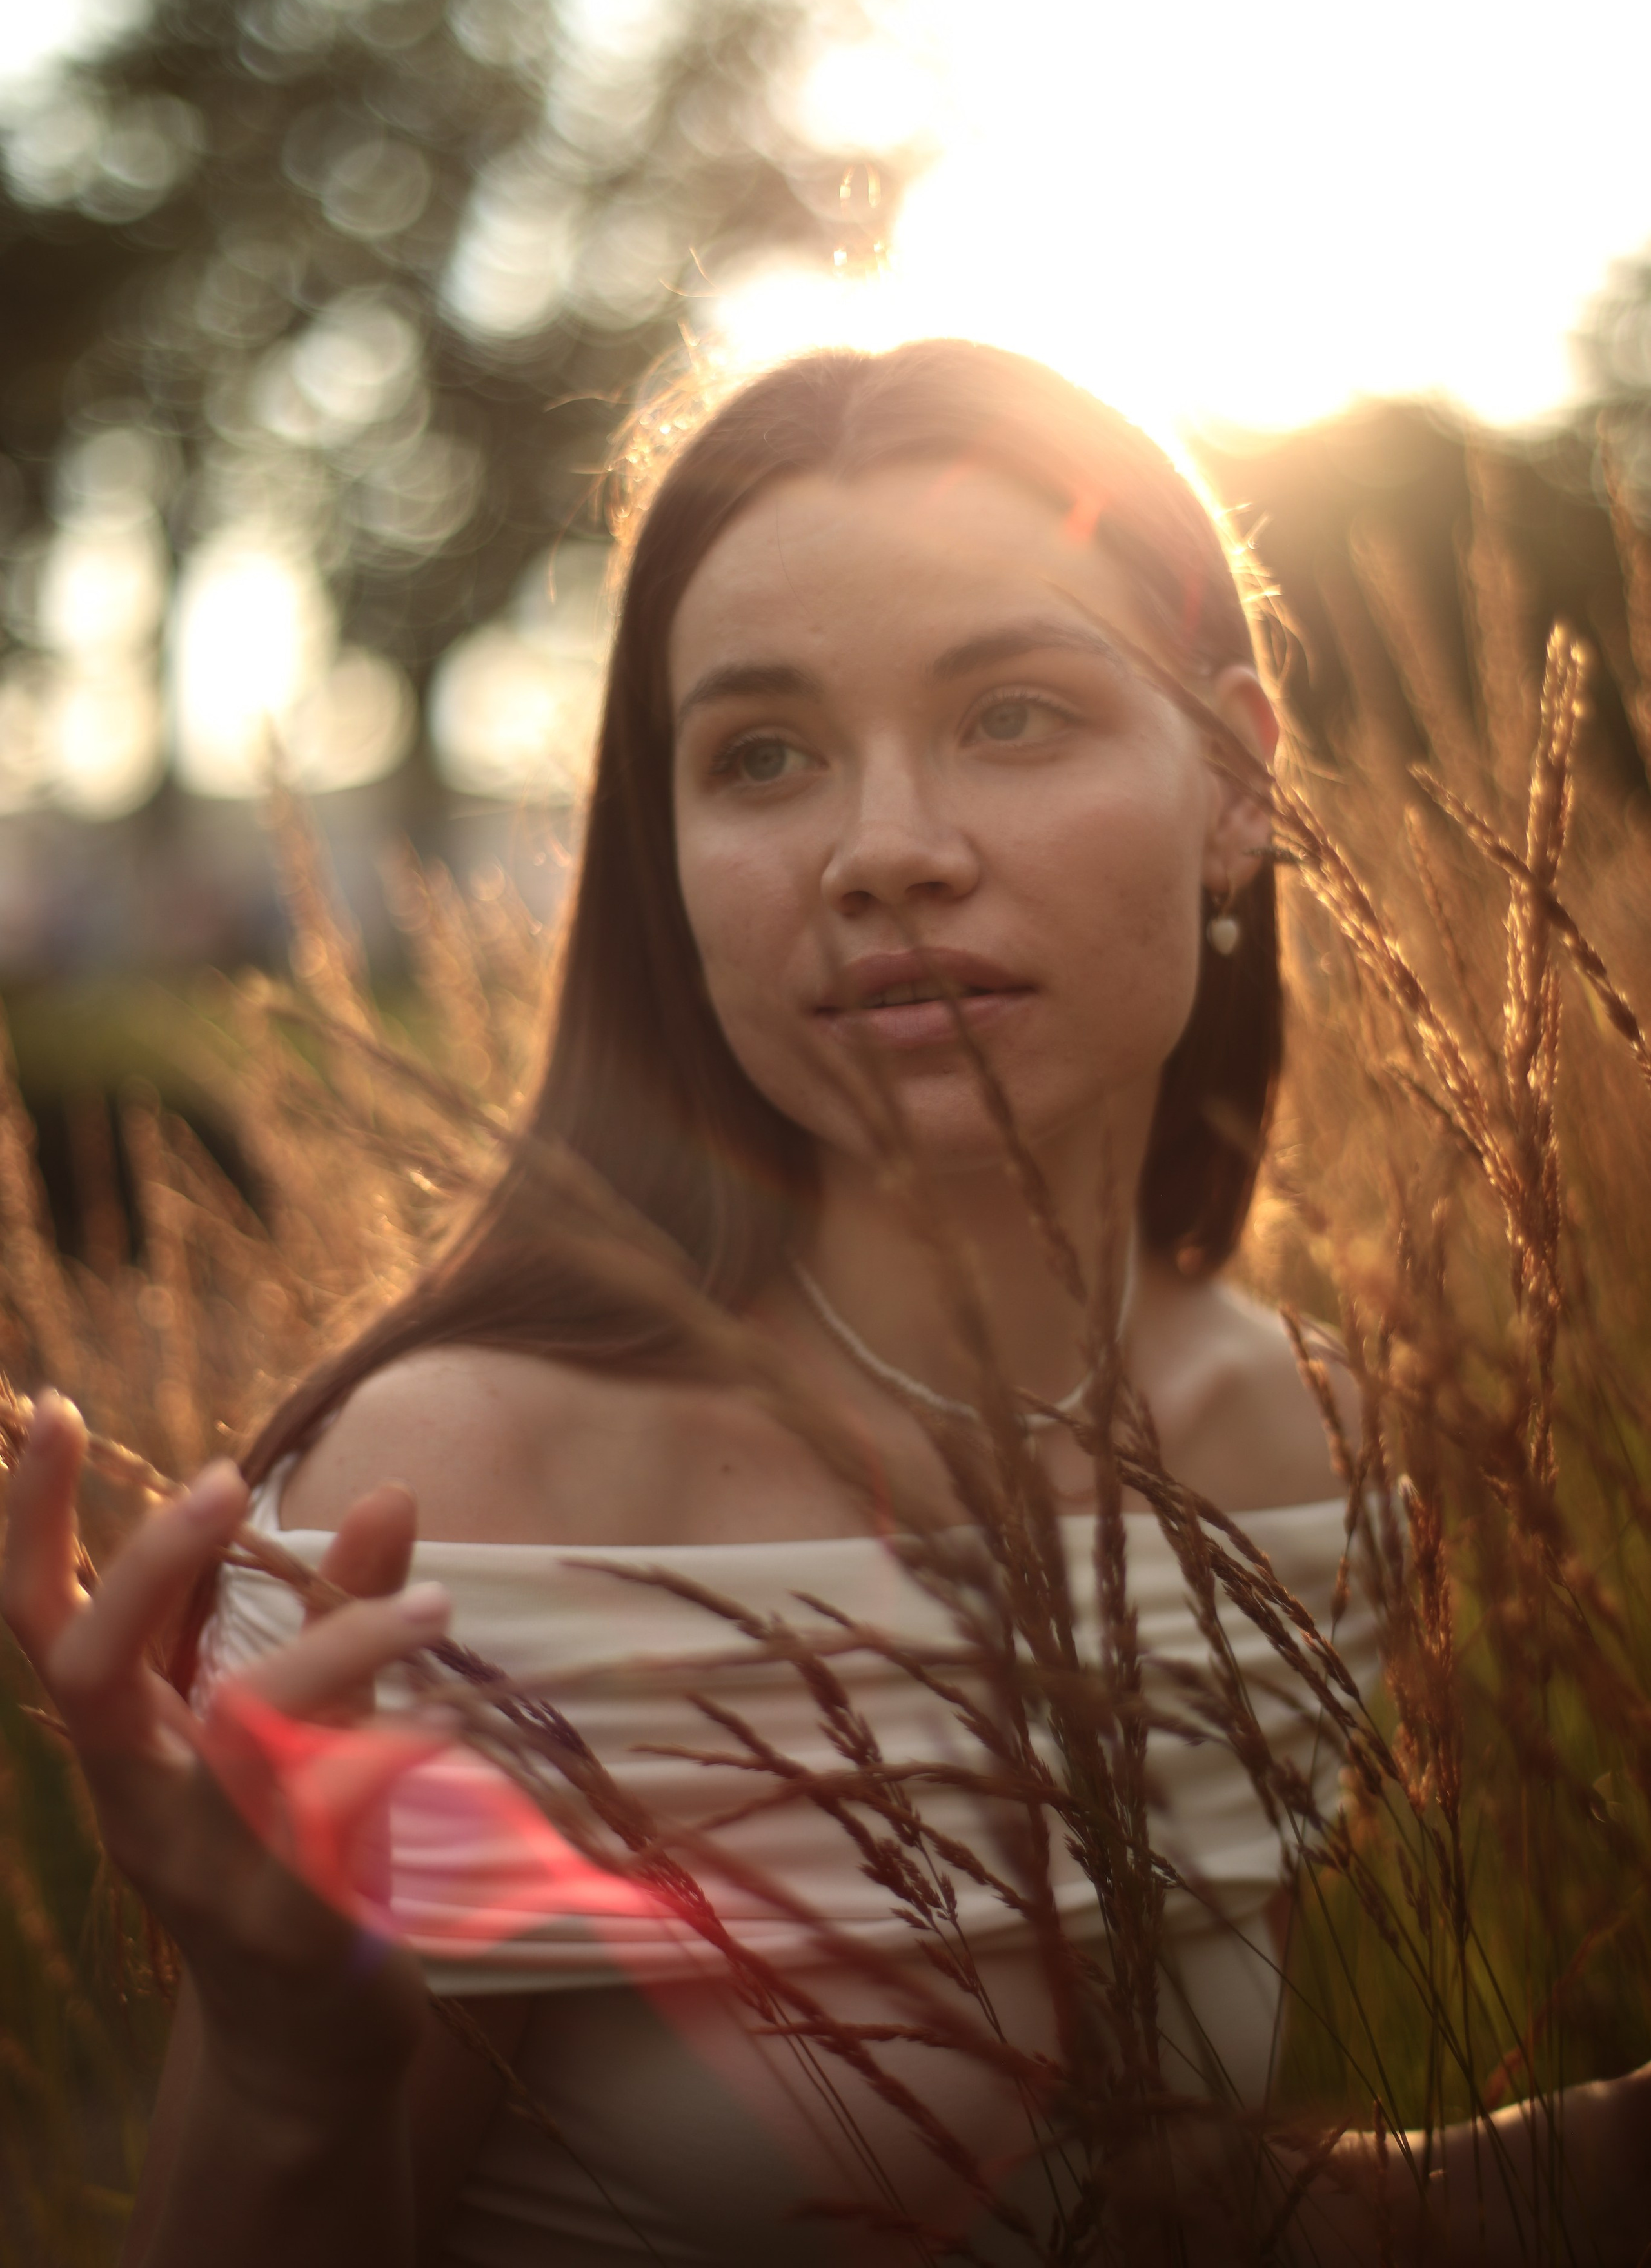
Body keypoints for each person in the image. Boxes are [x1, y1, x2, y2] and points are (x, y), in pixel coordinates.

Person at [3, 342, 1646, 2266]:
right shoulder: (465, 1496)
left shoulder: (1311, 1443)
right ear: (670, 854)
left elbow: (1136, 2207)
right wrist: (291, 2073)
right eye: (762, 755)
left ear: (1235, 784)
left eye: (1014, 715)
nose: (887, 851)